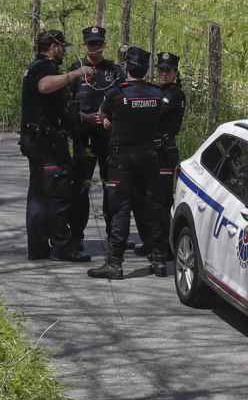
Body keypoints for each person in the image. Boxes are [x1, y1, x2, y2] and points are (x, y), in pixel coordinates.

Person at [89, 46, 168, 279]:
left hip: (121, 159)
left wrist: (111, 124)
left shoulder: (116, 93)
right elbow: (161, 121)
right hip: (149, 157)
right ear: (146, 68)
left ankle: (115, 263)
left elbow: (103, 118)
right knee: (151, 207)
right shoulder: (156, 93)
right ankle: (159, 259)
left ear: (127, 66)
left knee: (120, 209)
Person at [18, 29, 90, 262]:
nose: (64, 51)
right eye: (62, 47)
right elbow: (45, 86)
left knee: (38, 195)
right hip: (45, 142)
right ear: (53, 47)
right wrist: (75, 73)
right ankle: (62, 246)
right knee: (58, 193)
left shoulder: (35, 66)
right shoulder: (44, 67)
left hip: (37, 139)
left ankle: (37, 248)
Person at [67, 25, 123, 252]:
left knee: (112, 187)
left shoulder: (115, 71)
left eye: (98, 44)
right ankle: (76, 235)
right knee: (81, 187)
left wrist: (110, 119)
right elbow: (67, 107)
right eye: (91, 44)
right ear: (85, 45)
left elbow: (122, 102)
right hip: (84, 139)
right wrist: (86, 119)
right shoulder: (76, 70)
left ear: (104, 45)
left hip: (109, 138)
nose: (94, 49)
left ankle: (113, 236)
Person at [140, 51, 184, 261]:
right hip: (150, 151)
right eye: (161, 70)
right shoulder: (156, 90)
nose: (164, 74)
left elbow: (156, 111)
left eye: (168, 71)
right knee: (148, 201)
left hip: (164, 152)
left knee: (161, 202)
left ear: (175, 73)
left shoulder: (175, 94)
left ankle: (164, 247)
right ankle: (151, 242)